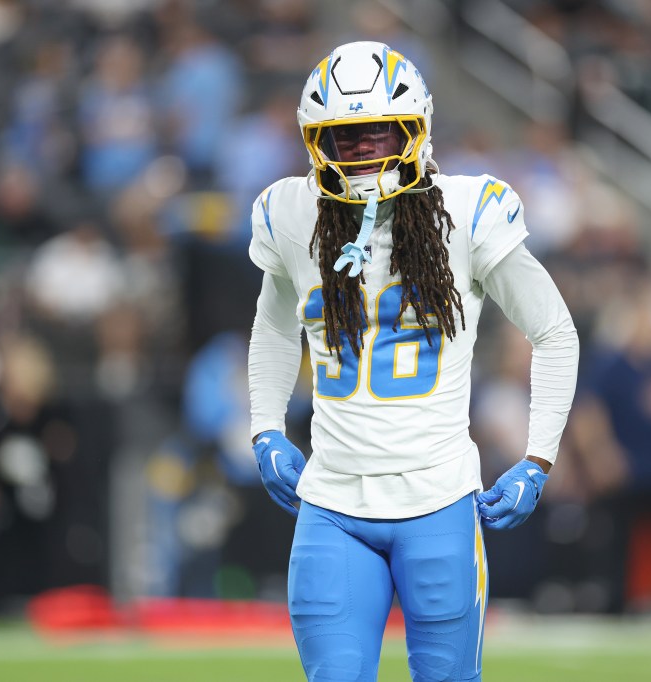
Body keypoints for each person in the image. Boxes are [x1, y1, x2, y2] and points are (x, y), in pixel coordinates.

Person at [247, 42, 579, 681]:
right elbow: (271, 327)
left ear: (414, 130)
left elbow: (555, 332)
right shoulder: (291, 213)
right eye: (343, 138)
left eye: (378, 133)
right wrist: (264, 427)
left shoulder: (466, 211)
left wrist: (539, 459)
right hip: (334, 505)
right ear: (316, 143)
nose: (364, 151)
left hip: (439, 502)